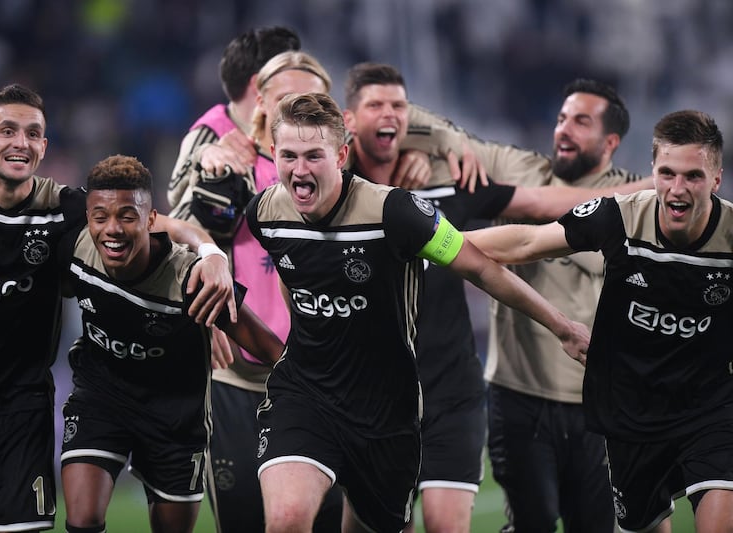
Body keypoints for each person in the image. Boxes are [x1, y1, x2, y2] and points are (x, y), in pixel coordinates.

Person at [248, 91, 591, 533]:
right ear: (273, 154)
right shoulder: (266, 213)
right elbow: (293, 272)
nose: (299, 170)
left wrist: (562, 327)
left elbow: (484, 269)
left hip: (386, 414)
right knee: (287, 519)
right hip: (305, 397)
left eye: (314, 156)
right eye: (289, 156)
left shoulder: (396, 211)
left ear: (341, 155)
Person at [342, 64, 650, 533]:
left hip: (528, 395)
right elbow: (387, 119)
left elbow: (532, 230)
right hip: (459, 396)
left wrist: (659, 187)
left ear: (610, 142)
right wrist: (441, 141)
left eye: (580, 122)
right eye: (562, 118)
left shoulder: (641, 206)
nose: (563, 129)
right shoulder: (512, 168)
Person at [0, 84, 232, 533]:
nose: (20, 143)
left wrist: (212, 256)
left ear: (44, 146)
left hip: (21, 414)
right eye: (7, 130)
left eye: (33, 134)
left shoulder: (66, 208)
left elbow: (159, 224)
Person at [466, 109, 733, 533]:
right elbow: (528, 240)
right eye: (667, 173)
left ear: (716, 179)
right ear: (652, 171)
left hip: (709, 410)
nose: (677, 189)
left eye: (693, 176)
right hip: (631, 415)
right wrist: (436, 241)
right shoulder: (621, 217)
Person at [58, 154, 284, 533]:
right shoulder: (74, 247)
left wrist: (318, 393)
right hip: (101, 399)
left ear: (151, 221)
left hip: (175, 418)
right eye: (100, 217)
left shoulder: (191, 281)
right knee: (82, 518)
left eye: (128, 216)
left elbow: (267, 347)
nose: (112, 229)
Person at [170, 50, 345, 532]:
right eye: (286, 97)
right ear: (261, 102)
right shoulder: (226, 167)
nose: (299, 108)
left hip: (322, 374)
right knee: (244, 518)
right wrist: (210, 167)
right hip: (238, 375)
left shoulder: (347, 179)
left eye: (312, 100)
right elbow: (181, 240)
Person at [167, 26, 301, 214]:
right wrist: (204, 155)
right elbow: (174, 195)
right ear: (258, 83)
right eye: (288, 74)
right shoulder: (212, 131)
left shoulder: (293, 129)